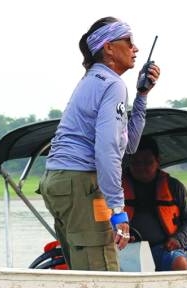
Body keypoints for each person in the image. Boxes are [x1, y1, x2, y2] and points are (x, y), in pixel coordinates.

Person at [38, 17, 160, 271]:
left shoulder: (93, 79)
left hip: (57, 182)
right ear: (109, 48)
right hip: (80, 183)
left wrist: (142, 95)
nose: (135, 48)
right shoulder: (113, 84)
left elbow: (130, 146)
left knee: (82, 270)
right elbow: (107, 150)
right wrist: (118, 209)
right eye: (129, 41)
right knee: (102, 275)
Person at [123, 136, 187, 271]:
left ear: (158, 161)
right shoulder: (115, 188)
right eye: (136, 162)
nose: (142, 167)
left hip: (164, 248)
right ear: (129, 162)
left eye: (147, 162)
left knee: (180, 262)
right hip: (127, 249)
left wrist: (179, 239)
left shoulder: (174, 187)